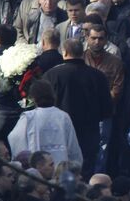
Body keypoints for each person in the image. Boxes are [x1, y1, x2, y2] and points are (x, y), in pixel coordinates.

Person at [41, 38, 114, 175]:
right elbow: (107, 109)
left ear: (65, 52)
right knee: (85, 170)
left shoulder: (52, 75)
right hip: (89, 132)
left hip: (59, 132)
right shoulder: (97, 76)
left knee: (60, 169)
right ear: (83, 53)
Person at [7, 80, 83, 175]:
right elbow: (72, 147)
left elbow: (15, 138)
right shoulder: (63, 116)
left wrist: (26, 161)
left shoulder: (29, 117)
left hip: (37, 170)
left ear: (33, 98)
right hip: (60, 169)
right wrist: (75, 165)